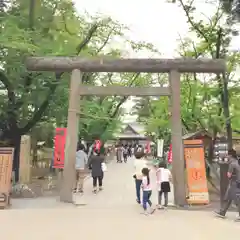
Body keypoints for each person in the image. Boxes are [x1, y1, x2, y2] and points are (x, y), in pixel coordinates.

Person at [215, 149, 240, 221]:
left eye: (227, 155)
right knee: (228, 198)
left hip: (234, 183)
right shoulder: (237, 162)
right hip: (236, 183)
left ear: (230, 155)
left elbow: (229, 175)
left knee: (237, 200)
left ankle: (222, 212)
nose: (227, 156)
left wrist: (220, 171)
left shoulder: (232, 164)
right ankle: (222, 212)